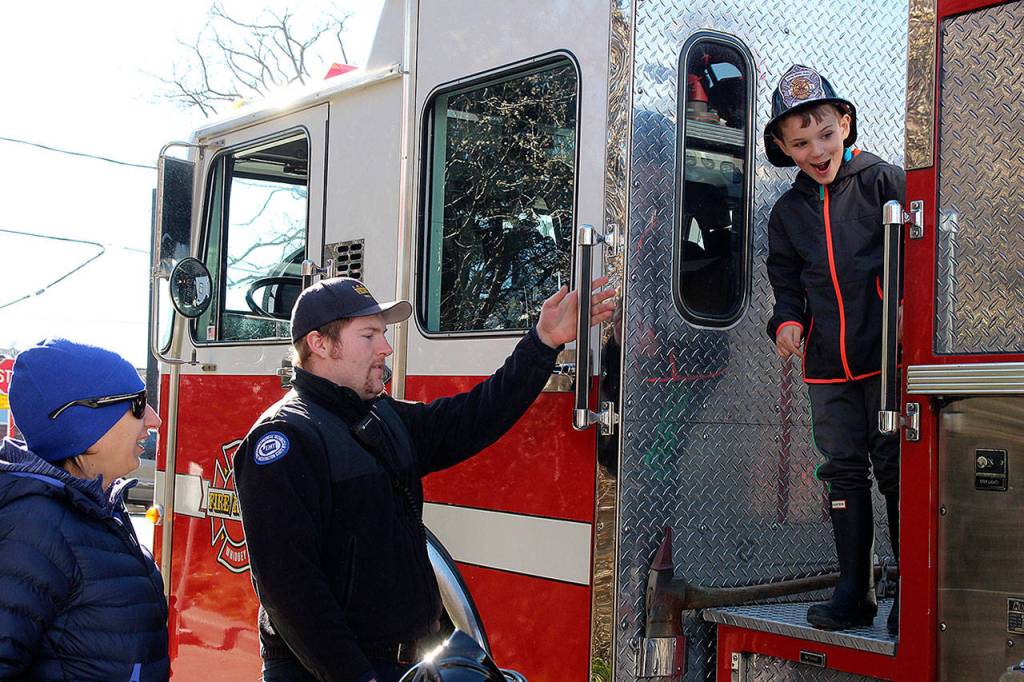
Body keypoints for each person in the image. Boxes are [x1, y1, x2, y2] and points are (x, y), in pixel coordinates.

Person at [233, 276, 615, 682]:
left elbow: (474, 418)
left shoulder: (382, 418)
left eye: (383, 333)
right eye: (369, 335)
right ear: (320, 344)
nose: (386, 347)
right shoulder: (285, 441)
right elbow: (291, 594)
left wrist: (542, 341)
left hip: (400, 664)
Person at [764, 64, 905, 633]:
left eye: (824, 133)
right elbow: (786, 284)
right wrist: (786, 323)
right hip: (828, 368)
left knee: (895, 469)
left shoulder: (885, 182)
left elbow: (917, 265)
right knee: (843, 472)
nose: (816, 150)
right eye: (799, 143)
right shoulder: (787, 213)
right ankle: (854, 590)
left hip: (887, 360)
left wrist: (905, 324)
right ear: (783, 147)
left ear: (844, 123)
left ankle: (908, 588)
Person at [0, 339, 169, 679]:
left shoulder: (95, 510)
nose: (155, 419)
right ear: (82, 419)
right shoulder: (35, 525)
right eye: (137, 404)